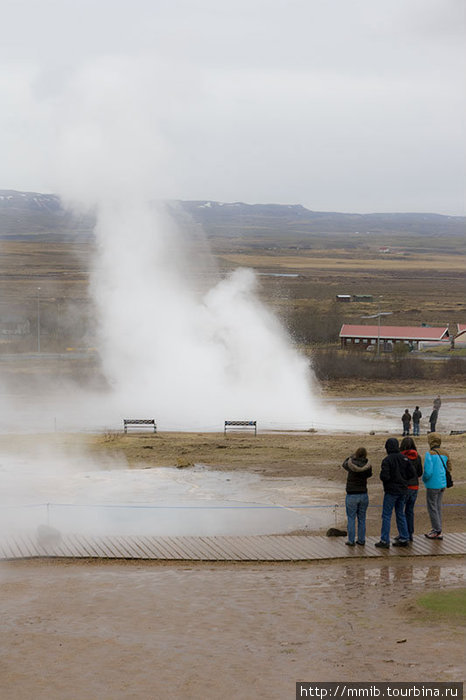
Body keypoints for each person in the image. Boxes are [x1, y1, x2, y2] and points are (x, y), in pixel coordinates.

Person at [375, 437, 415, 549]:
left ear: (387, 448)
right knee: (400, 513)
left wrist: (389, 479)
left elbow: (384, 476)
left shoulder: (387, 460)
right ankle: (404, 537)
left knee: (387, 515)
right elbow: (412, 473)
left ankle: (384, 540)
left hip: (391, 491)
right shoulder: (404, 458)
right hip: (402, 490)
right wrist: (403, 479)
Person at [423, 433, 452, 539]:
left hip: (432, 484)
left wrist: (424, 479)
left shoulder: (429, 454)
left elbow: (428, 472)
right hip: (442, 483)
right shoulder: (445, 453)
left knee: (432, 507)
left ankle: (437, 530)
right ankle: (438, 528)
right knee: (438, 507)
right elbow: (449, 468)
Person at [342, 447, 372, 546]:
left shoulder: (351, 464)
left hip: (352, 494)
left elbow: (344, 464)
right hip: (363, 494)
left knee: (351, 518)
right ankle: (361, 540)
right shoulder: (367, 465)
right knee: (362, 518)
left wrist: (351, 457)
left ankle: (351, 540)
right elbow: (369, 474)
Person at [399, 437, 423, 541]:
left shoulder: (401, 457)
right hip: (414, 486)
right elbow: (420, 472)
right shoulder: (417, 457)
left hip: (404, 487)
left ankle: (404, 534)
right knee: (409, 511)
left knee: (400, 512)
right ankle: (410, 533)